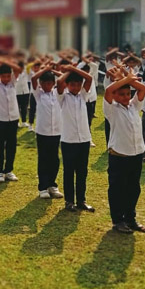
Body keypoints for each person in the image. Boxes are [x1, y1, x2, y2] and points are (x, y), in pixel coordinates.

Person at [104, 66, 145, 234]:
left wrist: (129, 81)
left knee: (133, 188)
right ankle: (118, 220)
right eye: (121, 94)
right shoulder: (111, 109)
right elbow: (108, 90)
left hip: (135, 155)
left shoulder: (134, 107)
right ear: (115, 96)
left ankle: (131, 218)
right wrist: (126, 79)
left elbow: (142, 89)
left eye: (128, 94)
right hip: (119, 156)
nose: (125, 97)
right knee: (117, 189)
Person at [56, 65, 95, 212]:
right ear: (68, 85)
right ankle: (69, 201)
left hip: (84, 139)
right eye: (72, 84)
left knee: (82, 171)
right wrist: (68, 72)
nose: (76, 87)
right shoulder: (62, 97)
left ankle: (81, 200)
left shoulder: (83, 96)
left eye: (78, 85)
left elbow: (89, 78)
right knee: (69, 171)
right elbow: (59, 82)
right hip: (69, 140)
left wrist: (73, 68)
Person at [31, 64, 64, 199]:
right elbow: (33, 78)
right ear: (41, 83)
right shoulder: (38, 94)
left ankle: (52, 185)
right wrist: (44, 70)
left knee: (54, 159)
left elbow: (62, 78)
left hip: (56, 131)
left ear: (53, 83)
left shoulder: (57, 93)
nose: (47, 86)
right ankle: (43, 187)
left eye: (50, 83)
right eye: (44, 83)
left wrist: (53, 71)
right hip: (43, 131)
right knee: (43, 159)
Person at [0, 60, 21, 182]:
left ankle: (8, 170)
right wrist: (1, 61)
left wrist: (8, 64)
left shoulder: (12, 83)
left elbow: (17, 69)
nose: (6, 78)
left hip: (13, 118)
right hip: (0, 118)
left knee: (11, 145)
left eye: (8, 76)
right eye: (3, 76)